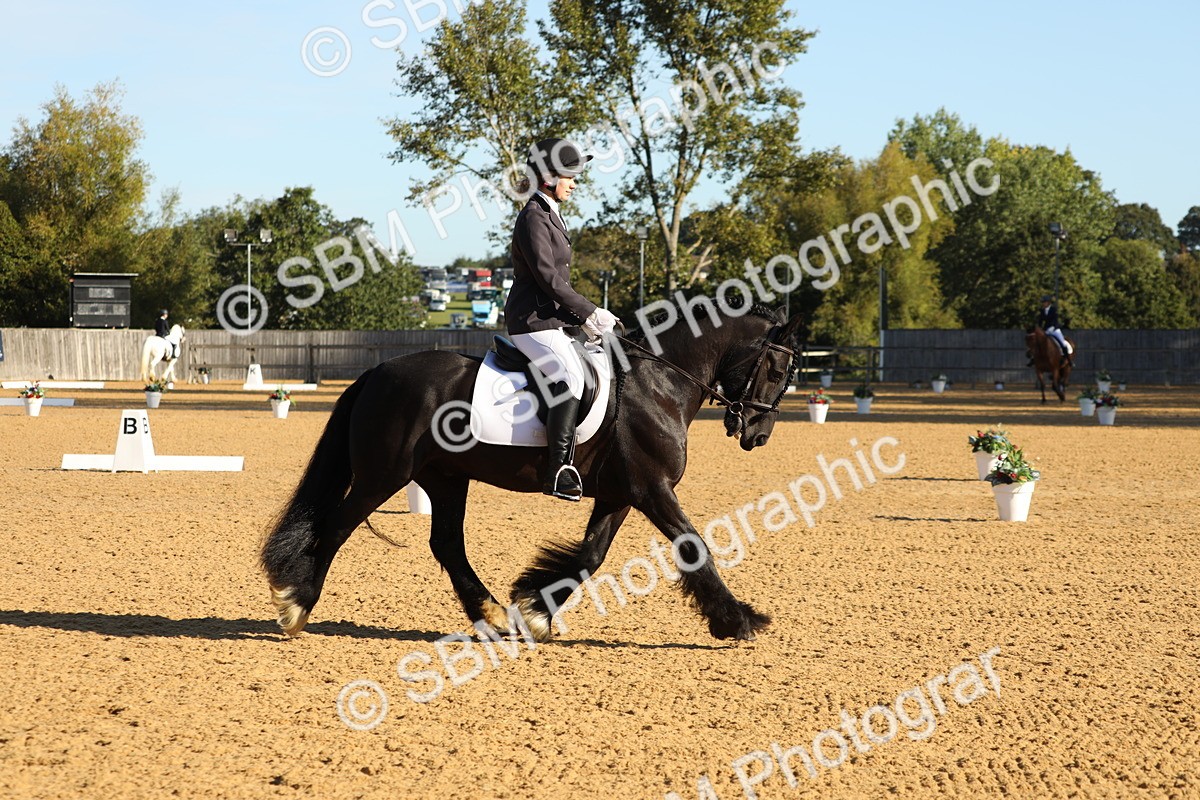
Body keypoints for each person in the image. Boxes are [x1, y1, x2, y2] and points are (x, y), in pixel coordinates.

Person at [505, 138, 619, 501]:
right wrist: (590, 312)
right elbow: (548, 277)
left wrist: (583, 319)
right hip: (532, 321)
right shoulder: (533, 217)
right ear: (547, 177)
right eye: (569, 175)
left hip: (552, 318)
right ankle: (557, 470)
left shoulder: (551, 212)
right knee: (571, 373)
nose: (575, 182)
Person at [1033, 295, 1072, 366]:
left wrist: (1052, 327)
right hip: (1046, 330)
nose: (1043, 304)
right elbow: (1040, 321)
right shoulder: (1042, 311)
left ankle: (1068, 360)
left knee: (1062, 343)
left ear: (1048, 303)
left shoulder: (1053, 310)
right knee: (1037, 342)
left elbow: (1055, 320)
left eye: (1044, 302)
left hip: (1055, 330)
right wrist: (1039, 328)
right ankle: (1033, 359)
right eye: (1042, 302)